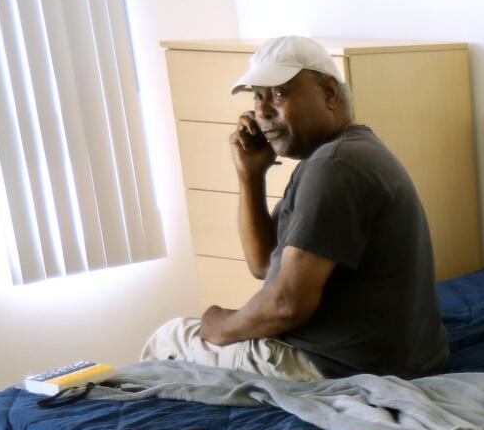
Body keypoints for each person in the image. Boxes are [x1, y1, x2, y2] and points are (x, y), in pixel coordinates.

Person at [139, 35, 449, 379]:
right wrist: (250, 175)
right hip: (388, 359)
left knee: (170, 336)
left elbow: (287, 305)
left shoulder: (333, 166)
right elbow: (263, 263)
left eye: (280, 93)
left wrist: (223, 326)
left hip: (340, 367)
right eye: (258, 96)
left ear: (329, 93)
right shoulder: (339, 153)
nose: (262, 110)